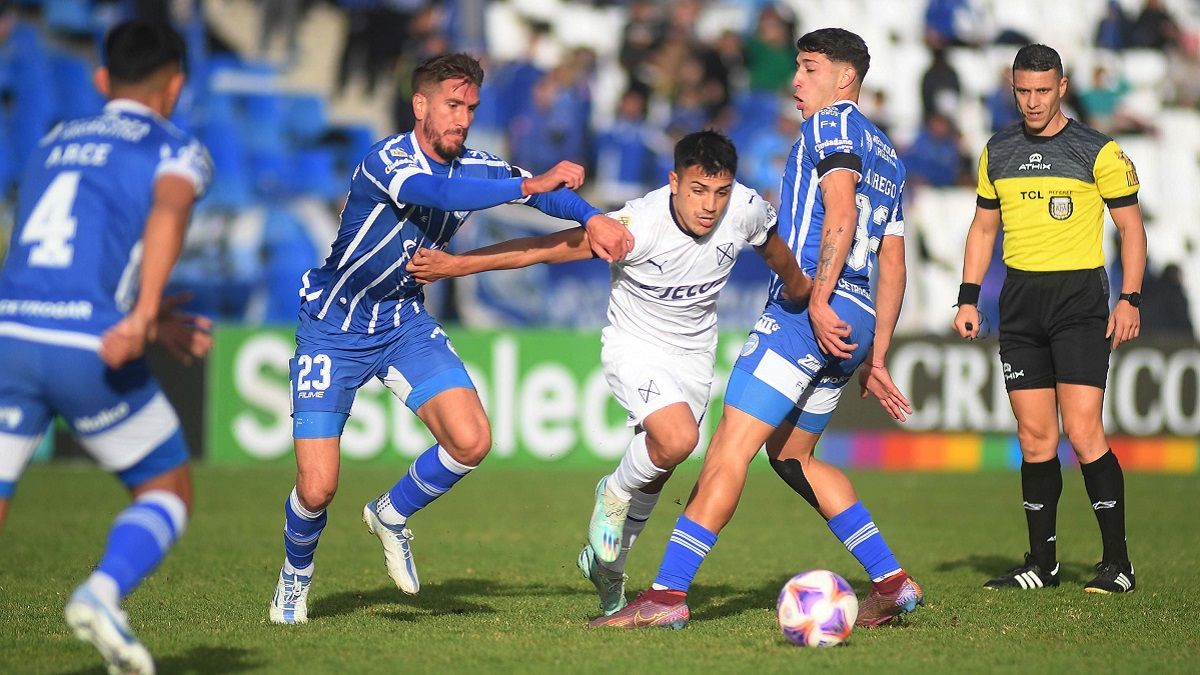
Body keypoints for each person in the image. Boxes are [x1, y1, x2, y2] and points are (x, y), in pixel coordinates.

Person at [268, 52, 633, 625]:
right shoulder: (387, 160)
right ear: (421, 106)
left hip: (403, 323)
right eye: (452, 105)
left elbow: (539, 197)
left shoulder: (474, 164)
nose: (463, 119)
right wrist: (528, 181)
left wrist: (590, 216)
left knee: (471, 440)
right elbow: (441, 196)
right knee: (316, 489)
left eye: (471, 108)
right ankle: (295, 578)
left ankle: (391, 513)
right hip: (334, 328)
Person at [590, 27, 922, 630]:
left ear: (845, 78)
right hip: (860, 320)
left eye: (810, 68)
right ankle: (892, 582)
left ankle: (666, 597)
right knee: (793, 455)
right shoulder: (890, 154)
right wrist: (876, 354)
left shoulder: (830, 126)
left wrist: (815, 300)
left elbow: (840, 212)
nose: (797, 81)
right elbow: (894, 259)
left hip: (807, 317)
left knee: (726, 452)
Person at [405, 130, 812, 617]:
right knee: (677, 440)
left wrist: (799, 288)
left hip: (694, 356)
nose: (710, 206)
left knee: (659, 469)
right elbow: (545, 248)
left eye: (720, 192)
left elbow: (773, 247)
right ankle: (612, 491)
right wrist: (455, 266)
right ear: (674, 182)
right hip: (635, 348)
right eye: (698, 191)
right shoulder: (636, 225)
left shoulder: (744, 209)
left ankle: (609, 570)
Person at [0, 19, 213, 674]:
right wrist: (145, 312)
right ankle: (102, 591)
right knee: (167, 488)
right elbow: (169, 210)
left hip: (10, 333)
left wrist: (143, 315)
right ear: (175, 84)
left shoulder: (52, 139)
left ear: (101, 80)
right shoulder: (176, 147)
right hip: (87, 345)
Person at [952, 44, 1145, 594]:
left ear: (1061, 87)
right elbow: (983, 229)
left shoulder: (1097, 150)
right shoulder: (998, 150)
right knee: (1035, 438)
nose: (1033, 101)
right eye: (1023, 90)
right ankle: (1042, 563)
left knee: (1083, 432)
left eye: (1043, 90)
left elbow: (1132, 228)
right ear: (1012, 88)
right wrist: (968, 297)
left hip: (1079, 300)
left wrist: (1129, 298)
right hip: (1019, 302)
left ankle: (1118, 563)